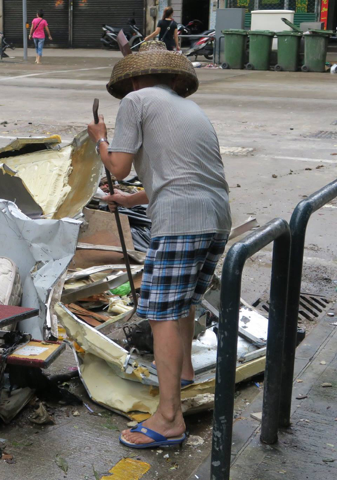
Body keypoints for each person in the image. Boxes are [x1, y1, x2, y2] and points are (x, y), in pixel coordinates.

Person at [87, 41, 231, 449]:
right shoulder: (189, 110)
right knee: (181, 303)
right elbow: (180, 174)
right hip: (215, 217)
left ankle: (169, 418)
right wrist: (129, 199)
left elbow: (119, 165)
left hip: (181, 222)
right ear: (173, 80)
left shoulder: (135, 100)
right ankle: (183, 372)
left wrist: (100, 138)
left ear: (132, 79)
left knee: (162, 313)